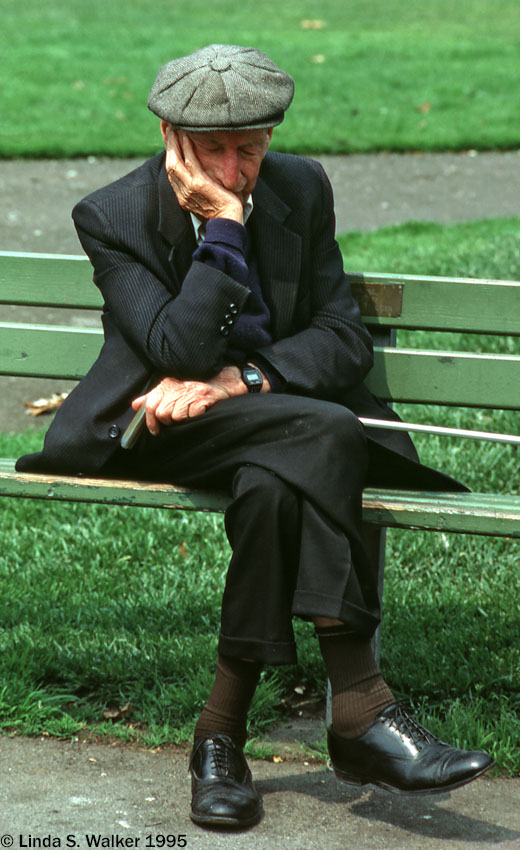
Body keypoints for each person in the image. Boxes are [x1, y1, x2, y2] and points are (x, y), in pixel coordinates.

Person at [17, 44, 494, 829]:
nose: (237, 170)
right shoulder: (114, 214)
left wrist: (249, 380)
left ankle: (219, 740)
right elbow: (179, 352)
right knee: (325, 428)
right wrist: (224, 229)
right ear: (173, 138)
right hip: (158, 426)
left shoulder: (301, 187)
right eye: (215, 152)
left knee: (280, 477)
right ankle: (362, 705)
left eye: (252, 148)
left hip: (269, 423)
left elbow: (342, 337)